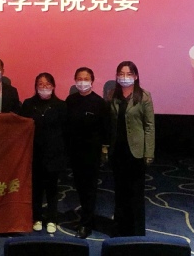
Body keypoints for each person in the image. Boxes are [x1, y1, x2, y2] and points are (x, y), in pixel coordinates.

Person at [107, 60, 155, 236]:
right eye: (121, 74)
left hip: (136, 151)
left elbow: (149, 126)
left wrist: (148, 152)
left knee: (135, 192)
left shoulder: (144, 96)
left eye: (128, 74)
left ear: (135, 76)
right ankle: (119, 228)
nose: (124, 77)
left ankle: (136, 231)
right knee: (120, 191)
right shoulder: (112, 95)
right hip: (117, 150)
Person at [65, 66, 109, 239]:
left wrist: (104, 149)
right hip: (74, 152)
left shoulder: (99, 103)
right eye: (79, 79)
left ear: (92, 81)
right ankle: (85, 217)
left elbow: (105, 129)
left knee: (89, 189)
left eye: (86, 79)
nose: (82, 82)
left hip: (91, 153)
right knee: (80, 187)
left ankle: (86, 224)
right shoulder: (70, 100)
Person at [20, 72, 67, 234]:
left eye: (47, 84)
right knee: (36, 188)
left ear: (53, 86)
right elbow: (21, 128)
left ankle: (52, 218)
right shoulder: (28, 104)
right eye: (41, 84)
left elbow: (66, 131)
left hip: (54, 153)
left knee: (52, 188)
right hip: (34, 152)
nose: (44, 87)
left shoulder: (61, 105)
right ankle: (37, 217)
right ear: (36, 86)